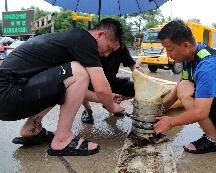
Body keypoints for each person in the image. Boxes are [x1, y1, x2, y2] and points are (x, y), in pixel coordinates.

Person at [0, 18, 125, 156]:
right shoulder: (85, 40)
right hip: (8, 93)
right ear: (100, 34)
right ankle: (62, 139)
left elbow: (73, 87)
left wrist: (105, 98)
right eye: (109, 48)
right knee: (79, 71)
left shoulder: (73, 40)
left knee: (71, 76)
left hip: (8, 97)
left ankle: (31, 129)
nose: (107, 54)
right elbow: (101, 88)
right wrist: (112, 107)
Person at [153, 20, 216, 154]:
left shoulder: (207, 67)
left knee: (185, 92)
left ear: (186, 45)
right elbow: (184, 81)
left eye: (170, 49)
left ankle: (214, 140)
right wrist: (163, 107)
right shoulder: (192, 55)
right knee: (183, 85)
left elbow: (200, 112)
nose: (168, 55)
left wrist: (171, 122)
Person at [81, 19, 143, 123]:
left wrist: (139, 73)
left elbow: (133, 65)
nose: (107, 54)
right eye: (108, 47)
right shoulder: (87, 47)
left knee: (137, 88)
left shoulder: (120, 47)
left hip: (111, 82)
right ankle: (88, 110)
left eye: (112, 49)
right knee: (79, 86)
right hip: (90, 85)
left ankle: (109, 103)